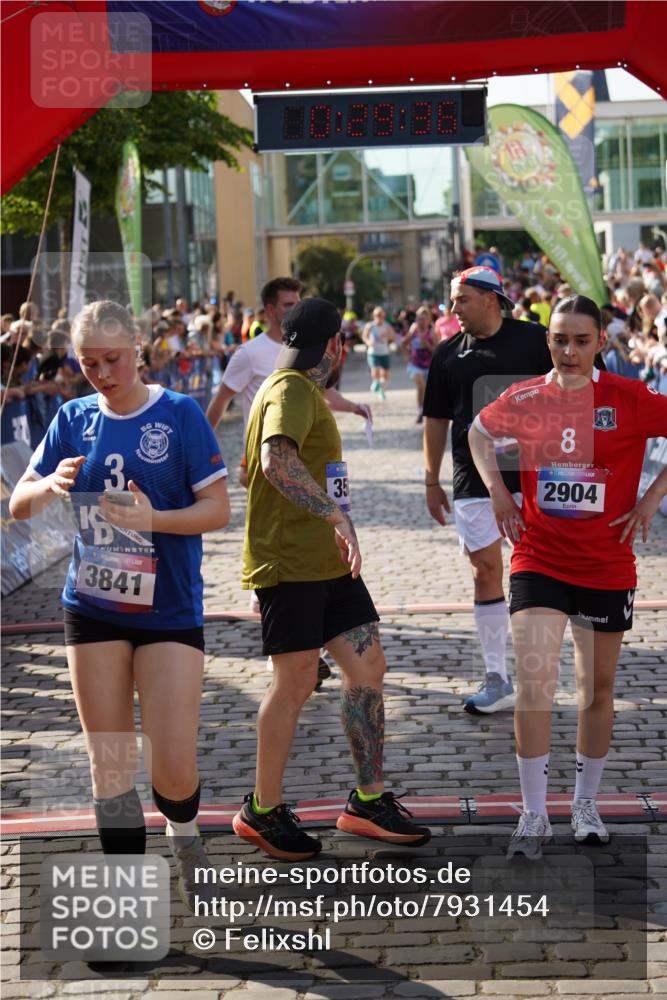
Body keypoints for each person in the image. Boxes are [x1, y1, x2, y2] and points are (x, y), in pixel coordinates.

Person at [9, 300, 230, 910]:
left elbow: (218, 510)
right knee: (109, 763)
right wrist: (49, 486)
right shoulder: (72, 416)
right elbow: (17, 504)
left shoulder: (180, 414)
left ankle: (185, 837)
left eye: (113, 359)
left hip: (168, 610)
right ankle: (128, 907)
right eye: (88, 363)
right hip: (92, 605)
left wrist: (154, 517)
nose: (102, 373)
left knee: (173, 772)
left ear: (139, 346)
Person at [469, 295, 667, 858]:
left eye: (582, 340)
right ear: (548, 340)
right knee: (534, 683)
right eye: (560, 339)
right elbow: (479, 434)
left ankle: (584, 803)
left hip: (607, 563)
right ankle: (533, 814)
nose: (570, 350)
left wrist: (653, 496)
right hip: (539, 558)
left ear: (601, 341)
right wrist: (498, 490)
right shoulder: (527, 396)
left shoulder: (628, 397)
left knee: (596, 691)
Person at [234, 297, 431, 860]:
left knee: (368, 666)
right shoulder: (291, 388)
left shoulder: (299, 388)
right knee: (294, 683)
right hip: (292, 565)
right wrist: (337, 515)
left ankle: (367, 802)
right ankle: (262, 811)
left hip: (328, 564)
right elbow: (275, 461)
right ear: (339, 346)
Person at [422, 266, 553, 713]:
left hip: (537, 477)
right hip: (472, 478)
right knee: (484, 571)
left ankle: (539, 672)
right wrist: (430, 480)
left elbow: (571, 393)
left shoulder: (536, 340)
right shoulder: (446, 354)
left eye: (461, 300)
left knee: (538, 573)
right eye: (452, 301)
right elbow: (437, 419)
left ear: (491, 299)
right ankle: (497, 677)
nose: (453, 308)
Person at [206, 277, 371, 487]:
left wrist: (355, 408)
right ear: (270, 309)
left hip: (305, 451)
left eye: (298, 304)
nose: (296, 310)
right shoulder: (249, 353)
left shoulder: (306, 349)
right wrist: (201, 447)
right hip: (268, 453)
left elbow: (325, 393)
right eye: (288, 305)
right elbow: (220, 401)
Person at [404, 305, 437, 423]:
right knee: (421, 386)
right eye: (419, 319)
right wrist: (406, 356)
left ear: (428, 319)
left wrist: (427, 345)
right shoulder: (414, 329)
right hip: (414, 364)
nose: (421, 321)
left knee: (427, 390)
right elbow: (404, 343)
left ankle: (426, 410)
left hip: (428, 365)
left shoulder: (432, 331)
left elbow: (436, 351)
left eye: (424, 318)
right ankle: (420, 411)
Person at [362, 306, 395, 399]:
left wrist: (389, 337)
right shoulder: (370, 325)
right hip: (373, 352)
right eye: (377, 315)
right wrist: (368, 342)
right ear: (374, 316)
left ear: (384, 315)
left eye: (381, 315)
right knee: (375, 370)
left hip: (384, 352)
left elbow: (393, 337)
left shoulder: (387, 326)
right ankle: (376, 382)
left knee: (386, 375)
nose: (379, 317)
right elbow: (364, 336)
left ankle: (381, 391)